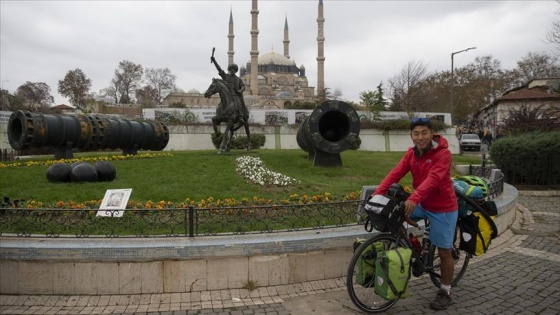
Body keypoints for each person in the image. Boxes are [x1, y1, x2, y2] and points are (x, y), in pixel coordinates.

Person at [372, 117, 458, 310]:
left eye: (424, 133)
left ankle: (445, 290)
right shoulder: (411, 154)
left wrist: (414, 198)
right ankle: (415, 251)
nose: (420, 137)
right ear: (411, 136)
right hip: (423, 201)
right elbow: (396, 173)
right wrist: (377, 194)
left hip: (442, 207)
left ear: (431, 133)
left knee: (444, 251)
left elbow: (434, 179)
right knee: (395, 217)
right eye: (416, 133)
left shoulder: (443, 154)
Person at [210, 56, 249, 122]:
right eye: (231, 69)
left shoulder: (238, 79)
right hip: (227, 95)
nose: (232, 70)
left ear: (235, 70)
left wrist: (240, 90)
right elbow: (219, 69)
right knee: (221, 105)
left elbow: (243, 86)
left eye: (233, 69)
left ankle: (240, 116)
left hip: (235, 95)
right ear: (229, 70)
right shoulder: (226, 77)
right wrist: (214, 61)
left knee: (238, 104)